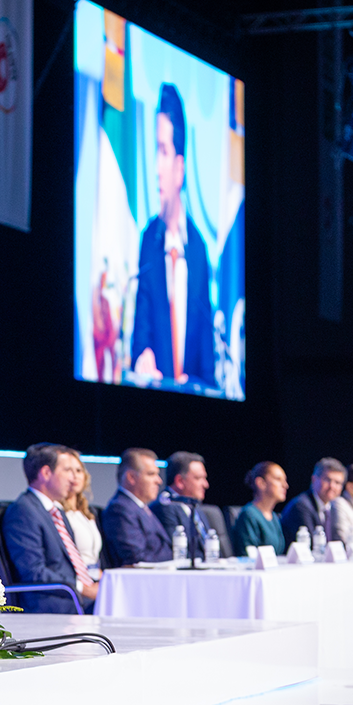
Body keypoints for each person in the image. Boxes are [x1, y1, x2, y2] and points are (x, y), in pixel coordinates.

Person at [130, 84, 215, 388]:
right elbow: (140, 339)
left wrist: (190, 383)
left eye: (163, 152)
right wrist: (142, 357)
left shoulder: (199, 251)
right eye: (155, 151)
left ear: (180, 168)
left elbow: (208, 360)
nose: (155, 168)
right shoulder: (148, 242)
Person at [2, 443, 98, 614]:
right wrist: (82, 588)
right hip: (52, 605)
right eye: (67, 470)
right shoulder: (23, 511)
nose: (73, 478)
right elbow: (33, 572)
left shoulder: (55, 511)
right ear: (46, 473)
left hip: (72, 599)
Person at [100, 448, 172, 567]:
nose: (159, 481)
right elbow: (136, 558)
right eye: (151, 474)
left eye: (157, 474)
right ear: (131, 477)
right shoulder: (119, 509)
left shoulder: (141, 507)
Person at [151, 451, 212, 558]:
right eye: (198, 478)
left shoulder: (194, 505)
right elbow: (177, 554)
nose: (205, 485)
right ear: (179, 481)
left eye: (205, 478)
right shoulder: (165, 506)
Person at [280, 457, 345, 545]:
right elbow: (312, 545)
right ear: (314, 479)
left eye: (337, 483)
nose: (332, 486)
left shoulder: (331, 507)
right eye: (327, 480)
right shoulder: (301, 506)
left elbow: (336, 541)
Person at [230, 462, 288, 556]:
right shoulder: (249, 515)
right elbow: (248, 555)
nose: (285, 485)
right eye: (278, 479)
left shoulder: (274, 516)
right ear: (261, 483)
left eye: (284, 480)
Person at [63, 457, 103, 578]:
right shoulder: (57, 513)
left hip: (95, 577)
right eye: (68, 470)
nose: (75, 475)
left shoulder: (87, 514)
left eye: (79, 470)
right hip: (76, 581)